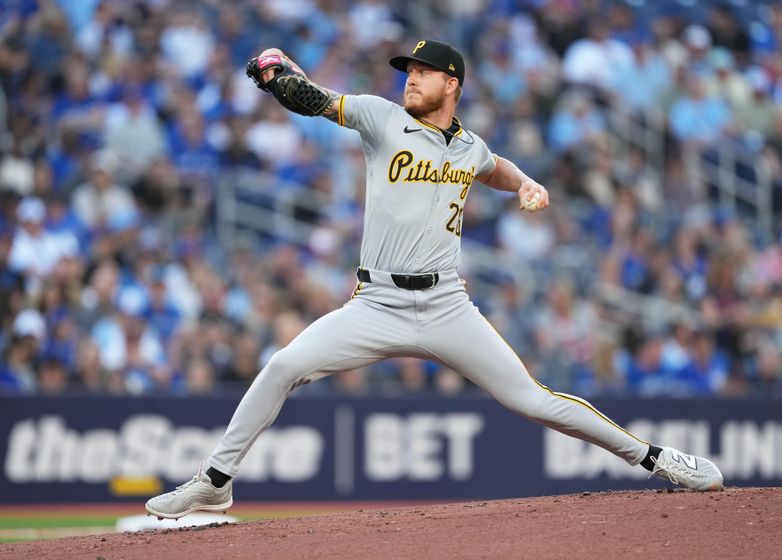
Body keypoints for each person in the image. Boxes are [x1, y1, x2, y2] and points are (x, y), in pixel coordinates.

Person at [145, 40, 723, 520]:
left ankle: (656, 459)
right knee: (282, 366)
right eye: (409, 71)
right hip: (376, 302)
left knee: (533, 400)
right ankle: (217, 480)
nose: (411, 79)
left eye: (423, 72)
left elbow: (496, 168)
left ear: (453, 84)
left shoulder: (470, 147)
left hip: (447, 305)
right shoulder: (381, 117)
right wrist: (276, 77)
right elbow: (316, 99)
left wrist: (526, 183)